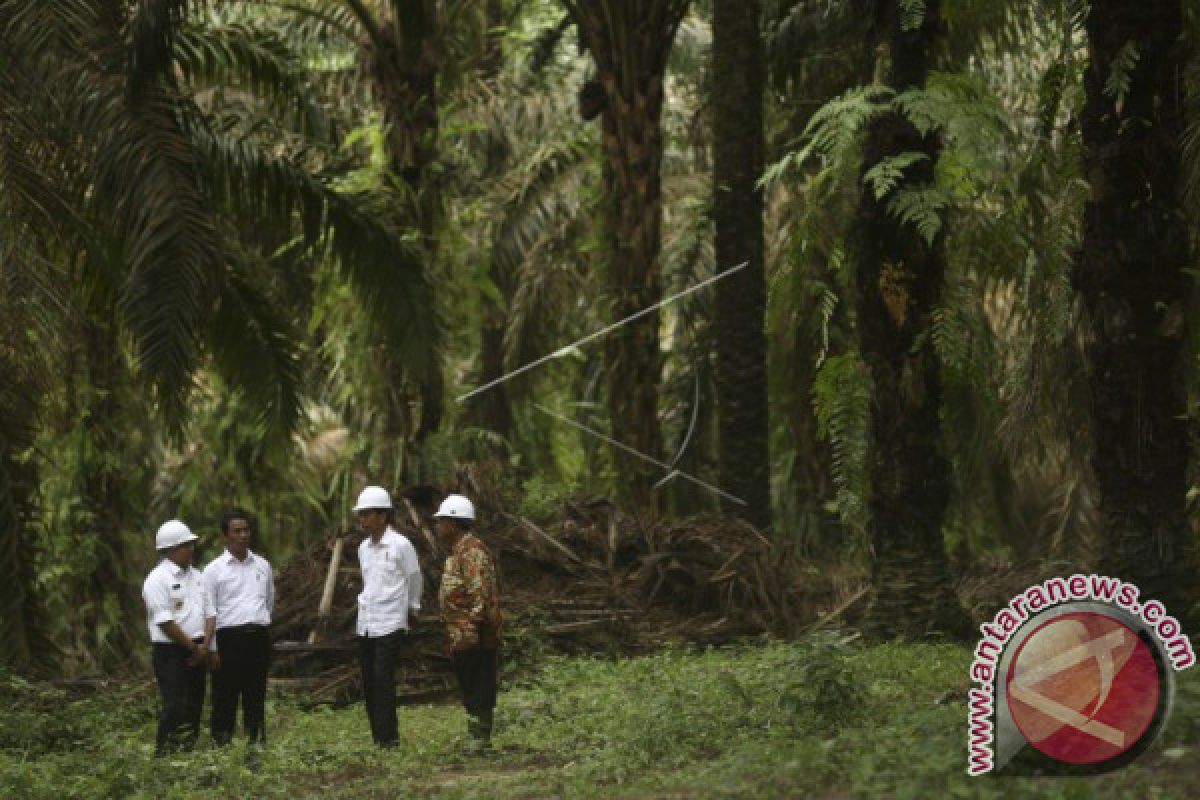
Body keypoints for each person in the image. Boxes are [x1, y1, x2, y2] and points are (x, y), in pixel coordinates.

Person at [353, 485, 422, 748]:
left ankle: (389, 738)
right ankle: (377, 737)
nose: (363, 520)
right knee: (370, 680)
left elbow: (414, 577)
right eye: (361, 515)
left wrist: (412, 607)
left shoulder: (400, 545)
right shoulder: (363, 548)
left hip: (391, 620)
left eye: (367, 514)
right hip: (368, 622)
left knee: (383, 679)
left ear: (383, 516)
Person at [434, 494, 502, 750]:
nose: (438, 527)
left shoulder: (471, 551)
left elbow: (480, 593)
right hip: (461, 632)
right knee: (470, 681)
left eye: (441, 522)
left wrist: (472, 627)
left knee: (479, 682)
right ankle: (476, 734)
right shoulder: (459, 551)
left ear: (453, 523)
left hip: (474, 633)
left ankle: (480, 737)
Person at [142, 519, 213, 756]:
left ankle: (187, 752)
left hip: (199, 648)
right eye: (187, 545)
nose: (192, 549)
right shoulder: (157, 579)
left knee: (195, 703)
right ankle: (164, 754)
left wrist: (203, 647)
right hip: (171, 652)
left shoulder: (198, 576)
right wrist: (193, 648)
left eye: (192, 544)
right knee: (174, 705)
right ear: (171, 550)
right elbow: (165, 622)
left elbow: (210, 613)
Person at [204, 509, 274, 746]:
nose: (243, 535)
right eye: (237, 531)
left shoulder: (263, 566)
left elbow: (268, 600)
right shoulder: (214, 570)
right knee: (225, 697)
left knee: (255, 695)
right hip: (228, 639)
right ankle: (221, 744)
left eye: (246, 530)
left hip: (257, 637)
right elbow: (209, 611)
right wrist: (212, 649)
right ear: (226, 536)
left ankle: (256, 743)